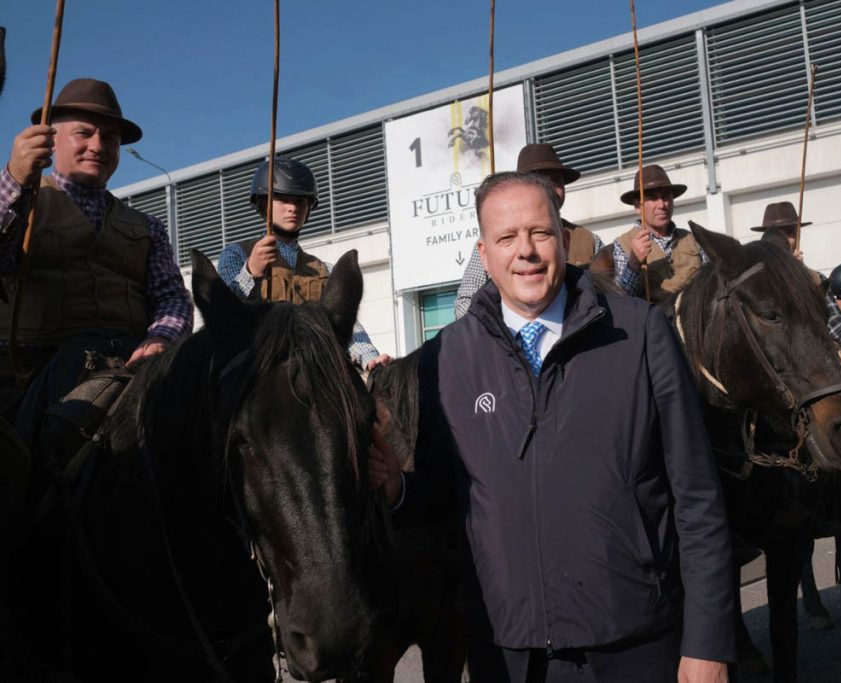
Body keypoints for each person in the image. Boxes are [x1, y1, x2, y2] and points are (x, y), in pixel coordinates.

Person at [372, 172, 734, 682]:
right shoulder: (446, 359)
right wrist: (397, 490)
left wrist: (709, 644)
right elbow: (445, 494)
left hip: (634, 644)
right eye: (506, 238)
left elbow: (698, 498)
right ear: (483, 252)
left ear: (563, 239)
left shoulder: (640, 334)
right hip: (509, 653)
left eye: (540, 233)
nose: (527, 251)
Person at [0, 78, 191, 436]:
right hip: (31, 374)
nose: (98, 146)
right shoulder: (18, 198)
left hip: (128, 367)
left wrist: (161, 340)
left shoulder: (147, 226)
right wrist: (13, 178)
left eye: (111, 138)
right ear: (50, 139)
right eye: (83, 133)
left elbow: (171, 297)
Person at [217, 156, 390, 372]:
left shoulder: (324, 270)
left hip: (314, 373)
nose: (293, 208)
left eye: (300, 201)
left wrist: (370, 360)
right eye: (283, 200)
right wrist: (250, 272)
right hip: (256, 373)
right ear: (263, 203)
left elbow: (346, 325)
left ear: (309, 208)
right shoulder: (237, 254)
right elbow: (223, 315)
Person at [453, 143, 602, 319]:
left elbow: (609, 294)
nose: (527, 250)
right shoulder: (494, 245)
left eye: (556, 181)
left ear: (565, 241)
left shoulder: (590, 239)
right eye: (540, 180)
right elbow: (464, 304)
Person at [751, 202, 841, 371]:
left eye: (791, 233)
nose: (785, 240)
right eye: (777, 234)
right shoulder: (753, 278)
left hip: (818, 358)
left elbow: (834, 318)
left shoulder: (816, 279)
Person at [608, 164, 703, 303]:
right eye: (653, 198)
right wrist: (633, 264)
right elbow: (621, 300)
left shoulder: (693, 239)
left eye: (666, 197)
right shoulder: (623, 245)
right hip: (655, 322)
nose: (662, 205)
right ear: (637, 206)